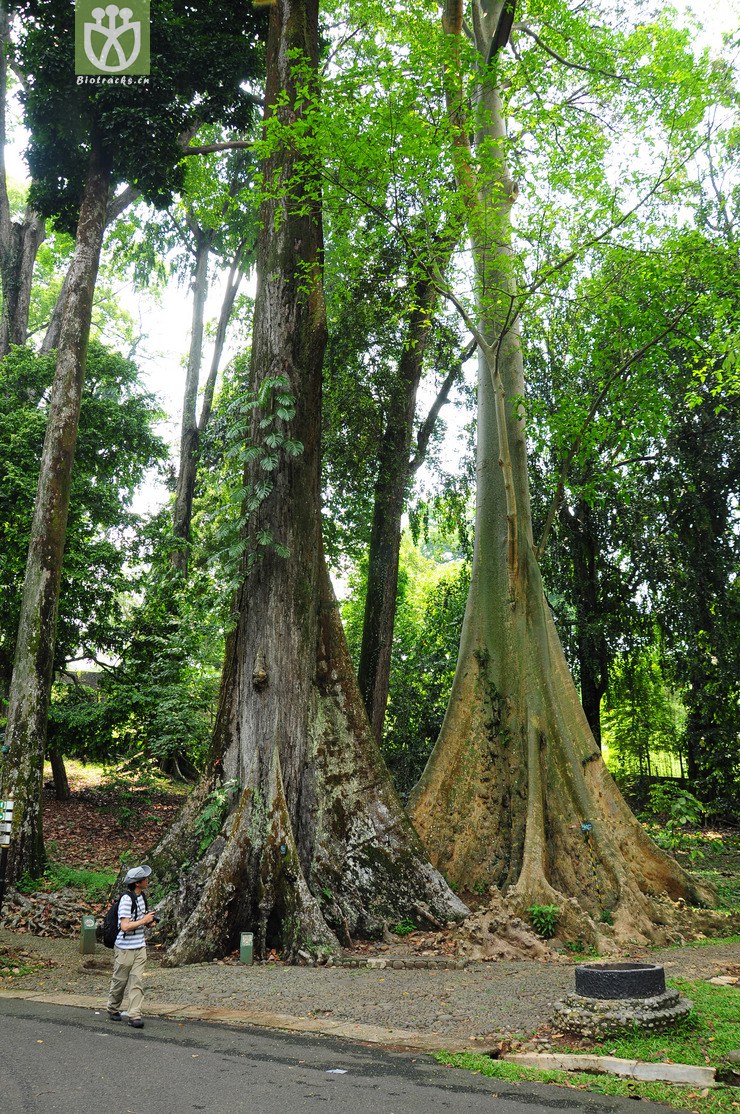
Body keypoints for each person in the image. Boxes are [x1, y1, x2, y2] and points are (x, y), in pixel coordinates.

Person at [107, 865, 157, 1029]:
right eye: (145, 878)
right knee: (120, 981)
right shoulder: (126, 900)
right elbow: (125, 926)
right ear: (137, 883)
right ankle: (113, 1007)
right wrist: (144, 921)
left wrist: (149, 922)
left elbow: (140, 920)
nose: (147, 881)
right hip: (124, 948)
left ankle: (134, 1015)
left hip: (140, 947)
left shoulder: (142, 897)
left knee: (137, 981)